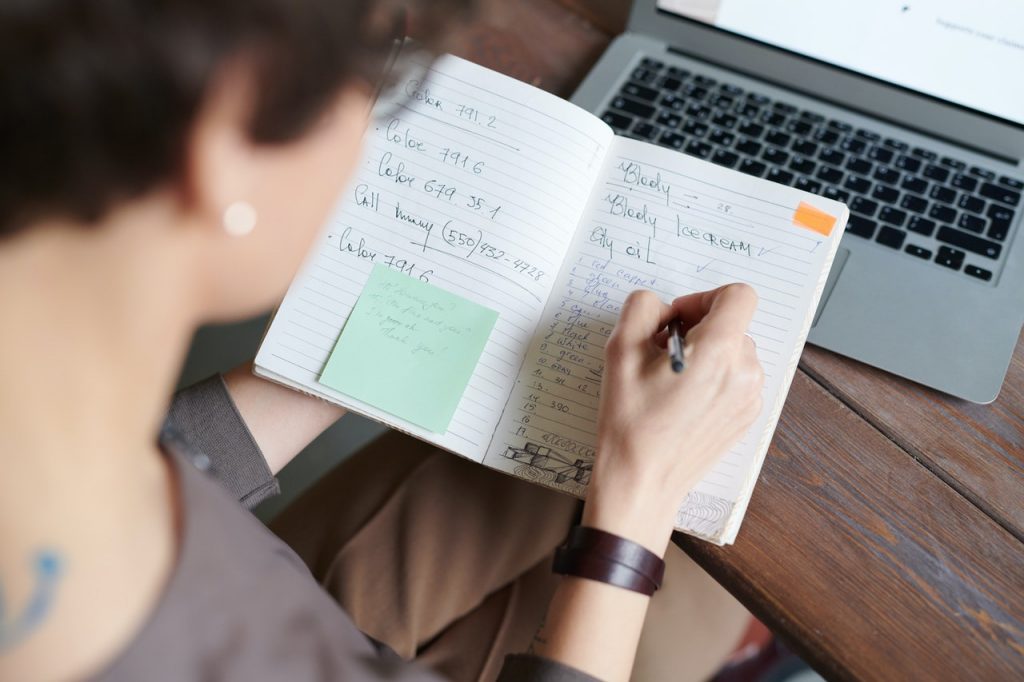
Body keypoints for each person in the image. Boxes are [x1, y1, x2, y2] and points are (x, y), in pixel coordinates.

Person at [0, 1, 764, 680]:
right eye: (370, 90)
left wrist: (329, 356)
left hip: (264, 574)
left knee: (544, 457)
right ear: (227, 150)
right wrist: (636, 502)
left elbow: (165, 460)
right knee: (703, 553)